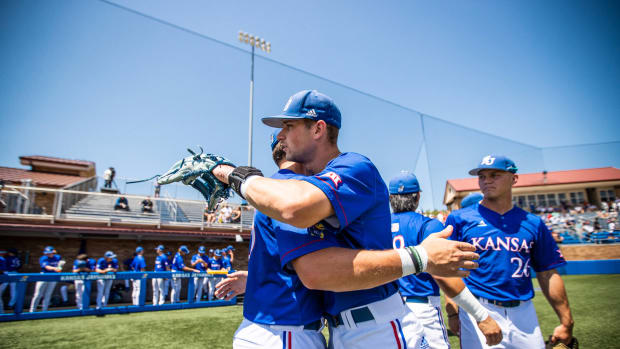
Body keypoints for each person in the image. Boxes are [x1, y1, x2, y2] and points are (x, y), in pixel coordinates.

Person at [203, 90, 479, 348]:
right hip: (343, 330)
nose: (282, 135)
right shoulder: (301, 185)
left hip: (379, 327)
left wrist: (232, 175)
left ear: (318, 129)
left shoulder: (353, 166)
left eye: (289, 126)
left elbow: (296, 213)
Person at [215, 134, 337, 348]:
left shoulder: (269, 190)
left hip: (260, 329)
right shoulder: (294, 189)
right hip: (285, 333)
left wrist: (256, 278)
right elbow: (312, 271)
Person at [445, 155, 575, 348]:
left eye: (494, 175)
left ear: (514, 179)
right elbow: (446, 269)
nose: (487, 180)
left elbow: (548, 273)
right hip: (479, 308)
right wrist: (456, 313)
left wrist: (566, 321)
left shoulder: (533, 223)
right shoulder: (459, 219)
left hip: (524, 311)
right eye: (482, 176)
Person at [389, 172, 502, 348]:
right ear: (418, 196)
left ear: (391, 198)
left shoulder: (376, 228)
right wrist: (481, 316)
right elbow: (444, 276)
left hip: (386, 313)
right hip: (422, 308)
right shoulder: (429, 225)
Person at [29, 246, 62, 312]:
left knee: (48, 294)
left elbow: (60, 264)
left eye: (50, 253)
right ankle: (32, 310)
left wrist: (60, 266)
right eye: (47, 253)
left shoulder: (58, 257)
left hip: (53, 276)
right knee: (38, 294)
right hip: (44, 275)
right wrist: (55, 268)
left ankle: (45, 310)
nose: (48, 254)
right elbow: (46, 267)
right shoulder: (43, 258)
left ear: (53, 252)